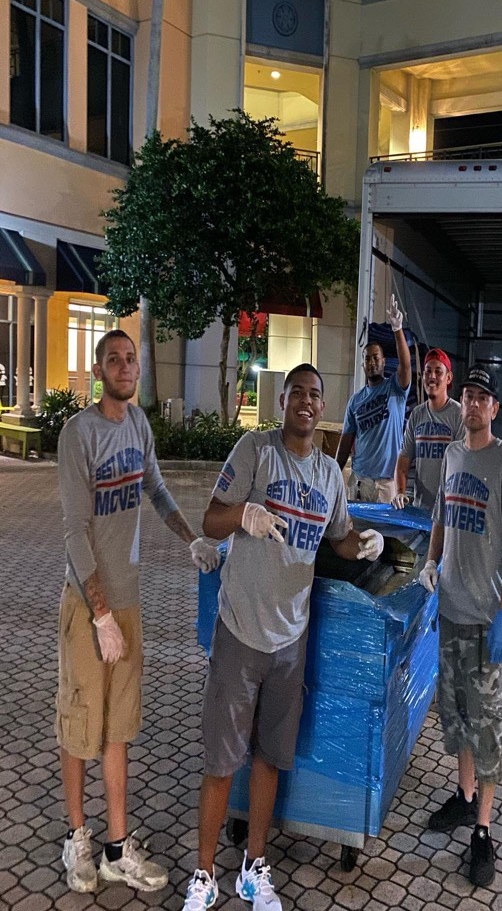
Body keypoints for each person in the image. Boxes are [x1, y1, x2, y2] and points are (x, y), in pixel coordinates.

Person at [182, 363, 384, 911]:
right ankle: (203, 876)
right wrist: (243, 515)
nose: (306, 402)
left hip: (291, 640)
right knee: (221, 761)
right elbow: (211, 519)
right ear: (283, 400)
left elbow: (339, 539)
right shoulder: (256, 451)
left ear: (323, 406)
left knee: (269, 758)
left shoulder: (329, 475)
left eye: (315, 394)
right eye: (298, 392)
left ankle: (254, 869)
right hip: (241, 630)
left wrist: (364, 544)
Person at [57, 329, 220, 894]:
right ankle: (77, 837)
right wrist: (99, 615)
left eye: (131, 359)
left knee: (118, 727)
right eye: (115, 360)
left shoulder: (138, 426)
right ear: (98, 369)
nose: (126, 367)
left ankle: (116, 847)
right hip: (88, 606)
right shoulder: (78, 434)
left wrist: (192, 539)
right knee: (80, 722)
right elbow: (74, 532)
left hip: (128, 604)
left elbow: (157, 490)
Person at [419, 365, 502, 888]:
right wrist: (430, 561)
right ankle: (464, 798)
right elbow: (441, 518)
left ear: (495, 408)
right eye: (468, 395)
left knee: (488, 727)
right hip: (450, 612)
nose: (474, 403)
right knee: (458, 715)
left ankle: (482, 828)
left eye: (483, 397)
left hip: (486, 620)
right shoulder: (451, 455)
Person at [335, 293, 411, 502]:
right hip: (360, 480)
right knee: (354, 524)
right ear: (363, 365)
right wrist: (333, 474)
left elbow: (406, 366)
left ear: (384, 361)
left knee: (385, 526)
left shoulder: (395, 389)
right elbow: (345, 442)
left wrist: (397, 329)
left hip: (387, 483)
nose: (371, 362)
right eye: (367, 359)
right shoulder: (355, 401)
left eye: (376, 357)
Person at [392, 348, 463, 512]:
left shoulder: (458, 414)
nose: (432, 376)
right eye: (428, 371)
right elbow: (403, 461)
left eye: (438, 372)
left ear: (448, 377)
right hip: (420, 509)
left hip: (448, 512)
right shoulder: (417, 414)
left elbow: (463, 466)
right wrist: (400, 492)